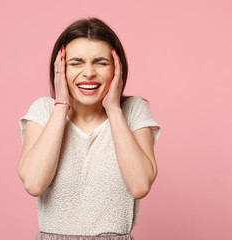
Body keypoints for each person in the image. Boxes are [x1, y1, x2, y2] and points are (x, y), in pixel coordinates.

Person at [18, 17, 162, 240]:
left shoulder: (133, 110)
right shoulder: (44, 111)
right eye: (76, 63)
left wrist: (114, 109)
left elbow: (140, 185)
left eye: (101, 62)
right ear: (61, 69)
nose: (89, 73)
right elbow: (34, 184)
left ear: (117, 68)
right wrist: (60, 106)